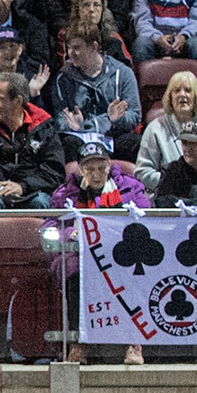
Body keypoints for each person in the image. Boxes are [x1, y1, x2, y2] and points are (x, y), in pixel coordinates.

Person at [48, 133, 150, 364]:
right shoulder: (66, 194)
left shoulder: (130, 188)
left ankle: (134, 342)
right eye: (89, 169)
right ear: (81, 170)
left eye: (100, 168)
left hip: (122, 253)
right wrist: (68, 234)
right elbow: (51, 224)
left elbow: (147, 218)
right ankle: (78, 344)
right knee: (73, 273)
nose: (96, 175)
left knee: (135, 272)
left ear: (109, 166)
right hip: (80, 255)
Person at [46, 24, 140, 162]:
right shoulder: (63, 78)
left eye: (77, 48)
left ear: (94, 47)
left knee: (138, 142)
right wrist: (73, 126)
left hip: (113, 136)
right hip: (79, 138)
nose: (71, 53)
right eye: (69, 48)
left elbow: (135, 115)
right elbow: (59, 117)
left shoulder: (123, 73)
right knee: (66, 144)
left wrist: (117, 119)